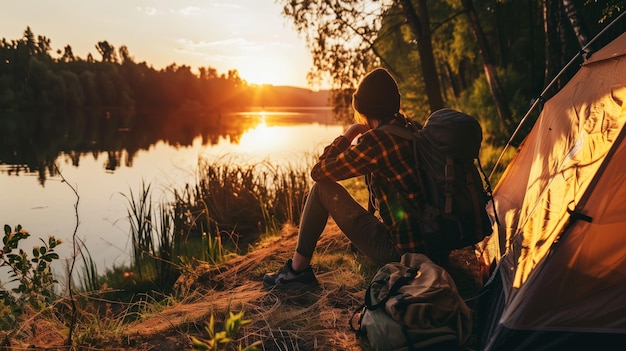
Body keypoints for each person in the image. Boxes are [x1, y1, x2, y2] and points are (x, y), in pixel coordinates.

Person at [263, 68, 431, 290]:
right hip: (432, 244)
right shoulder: (411, 127)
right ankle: (297, 270)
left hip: (403, 254)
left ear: (366, 109)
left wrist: (349, 135)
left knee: (322, 189)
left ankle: (297, 271)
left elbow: (319, 172)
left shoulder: (378, 142)